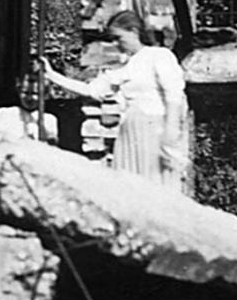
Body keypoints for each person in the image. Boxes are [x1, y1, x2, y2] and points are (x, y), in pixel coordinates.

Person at [40, 10, 186, 188]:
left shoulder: (159, 55)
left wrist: (171, 131)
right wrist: (51, 75)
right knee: (130, 186)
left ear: (133, 31)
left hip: (154, 129)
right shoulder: (124, 66)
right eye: (113, 39)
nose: (116, 44)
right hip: (129, 131)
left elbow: (174, 94)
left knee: (155, 185)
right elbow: (90, 90)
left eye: (119, 38)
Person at [0, 70, 58, 143]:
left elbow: (51, 146)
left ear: (44, 96)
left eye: (34, 94)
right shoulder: (5, 113)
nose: (29, 98)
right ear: (19, 92)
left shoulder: (49, 119)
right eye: (25, 93)